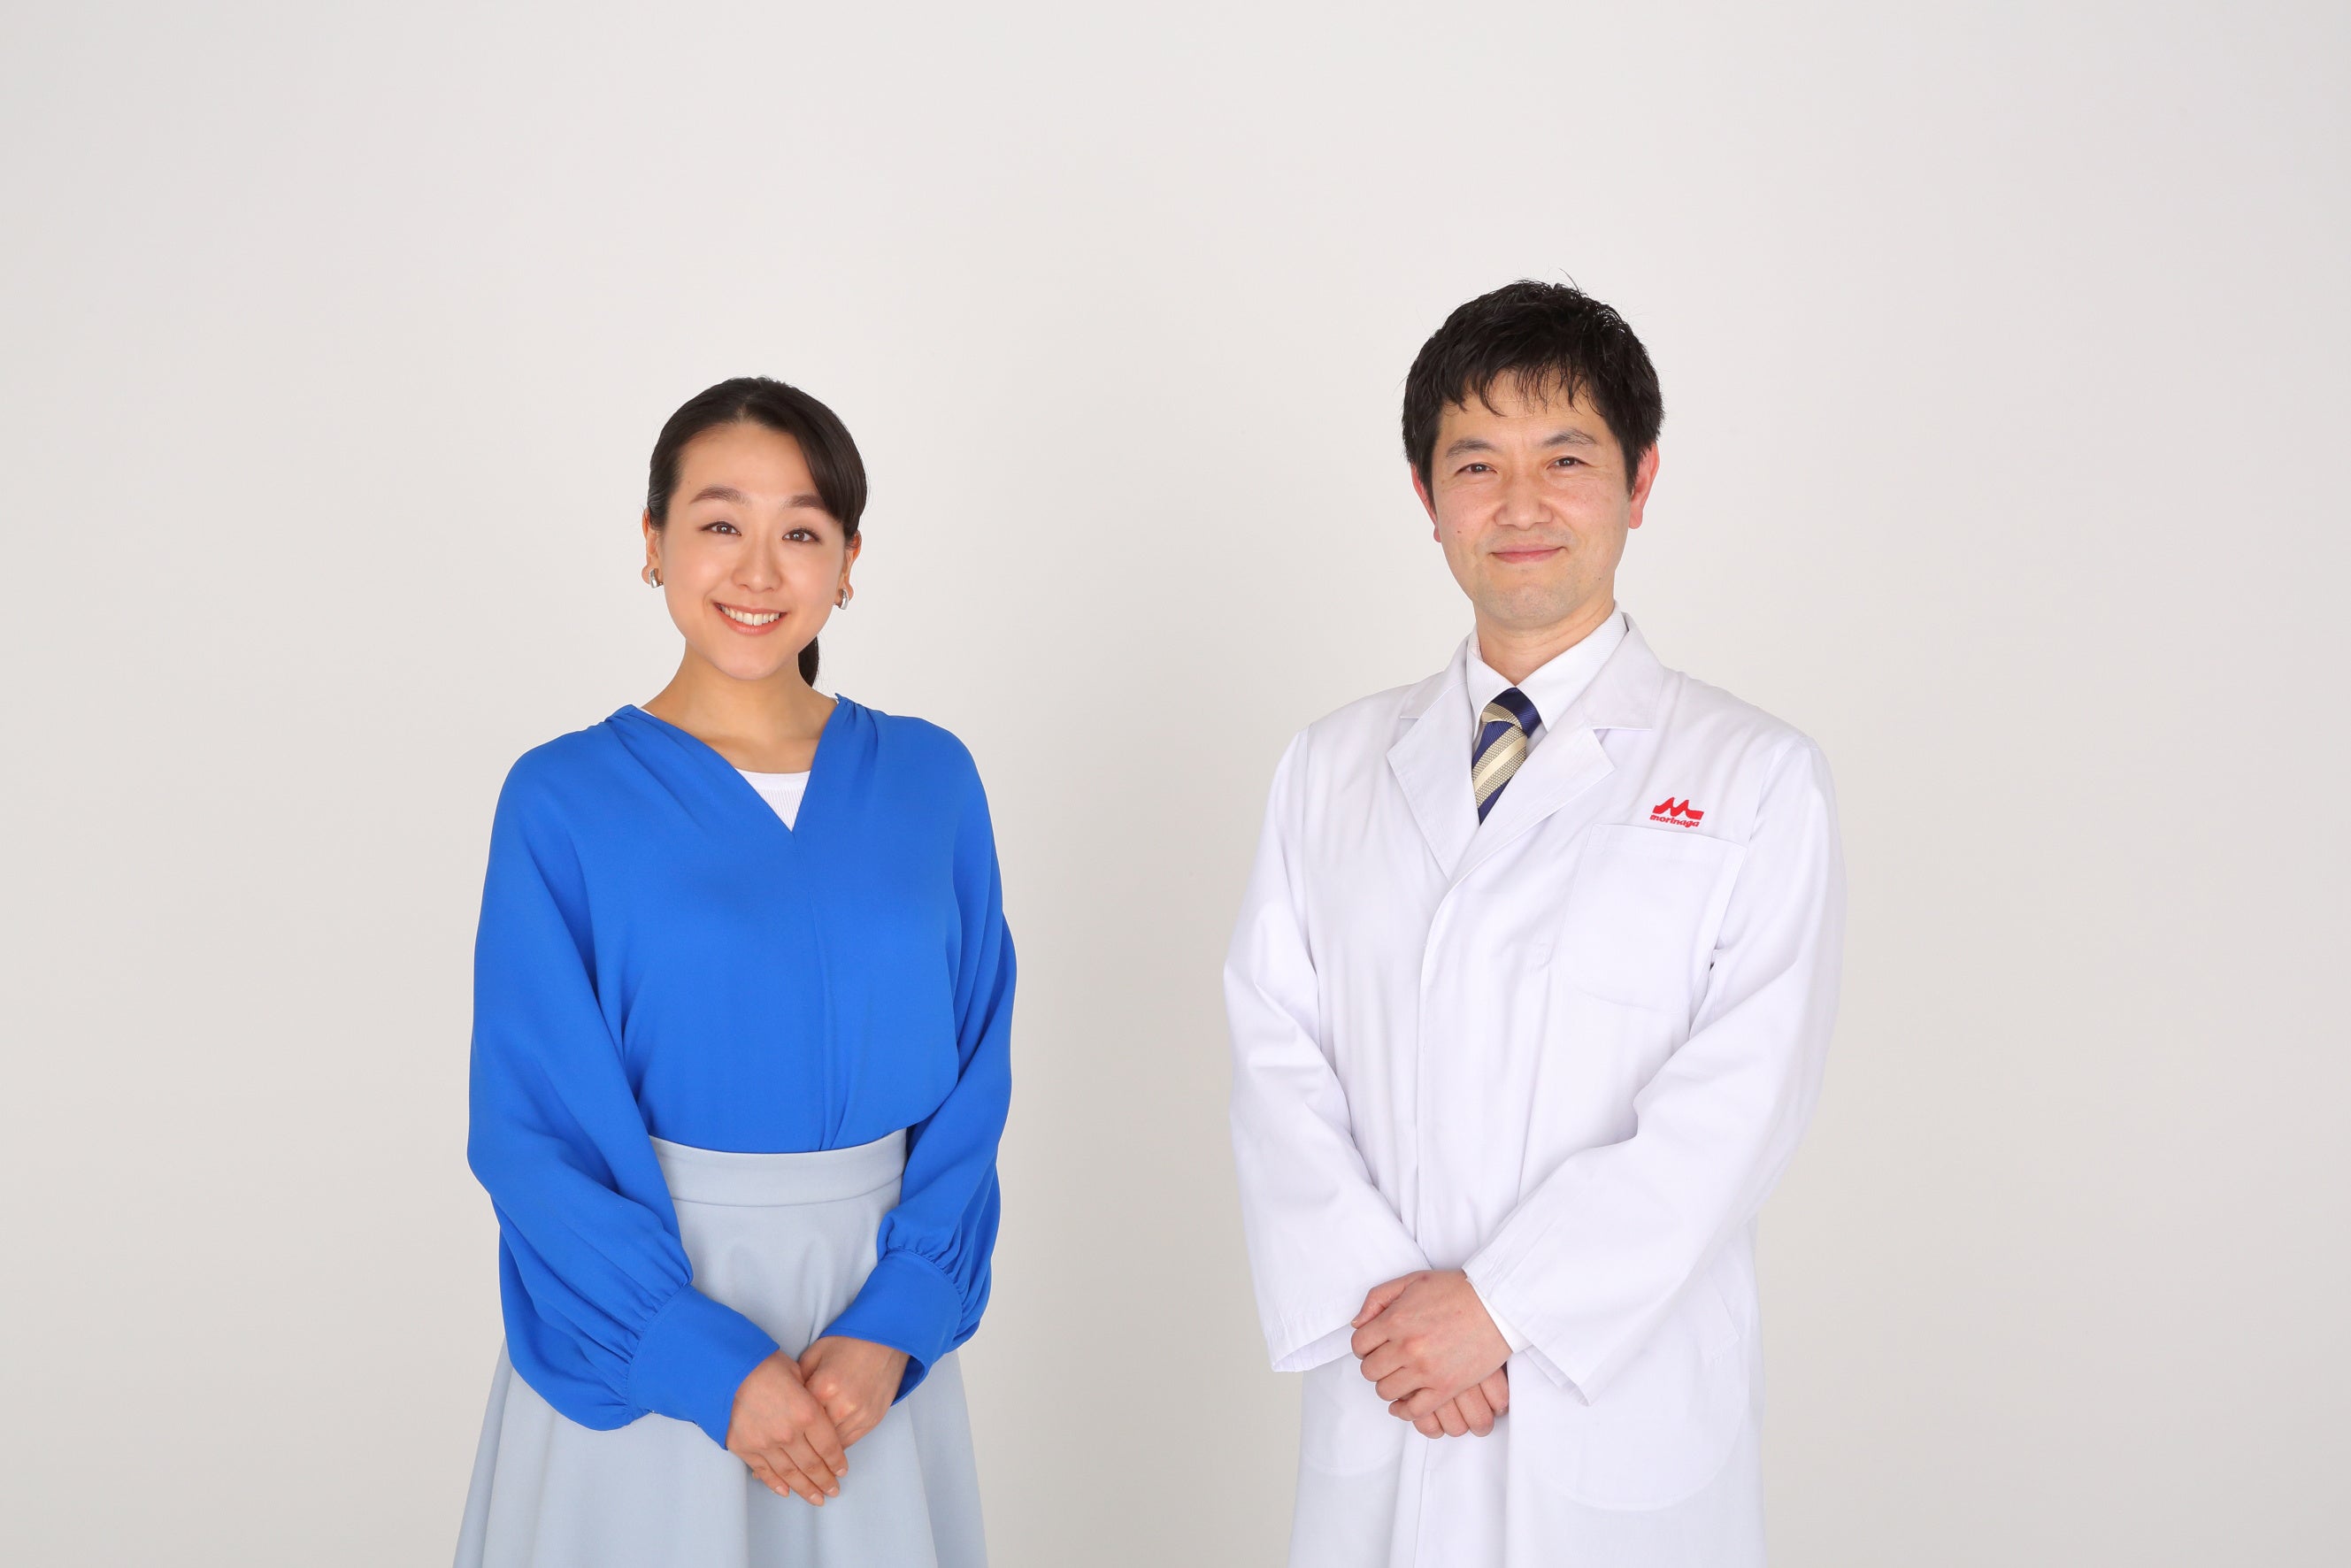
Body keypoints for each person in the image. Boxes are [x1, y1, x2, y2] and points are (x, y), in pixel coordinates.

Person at [1225, 281, 1845, 1566]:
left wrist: (1505, 1308)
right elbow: (1275, 1060)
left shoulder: (1752, 776)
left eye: (1565, 459)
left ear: (1639, 480)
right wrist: (1397, 1320)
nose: (1519, 506)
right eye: (1476, 464)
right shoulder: (1330, 767)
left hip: (1610, 1403)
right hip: (1391, 1381)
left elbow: (1737, 1104)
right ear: (1424, 495)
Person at [454, 377, 1011, 1567]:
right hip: (646, 1315)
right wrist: (696, 1358)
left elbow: (977, 1073)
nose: (758, 570)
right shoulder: (562, 800)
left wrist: (900, 1319)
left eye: (800, 532)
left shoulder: (930, 780)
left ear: (847, 561)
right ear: (652, 542)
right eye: (719, 523)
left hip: (868, 1332)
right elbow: (529, 1126)